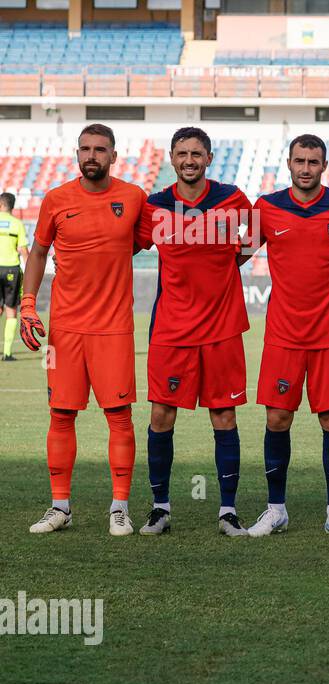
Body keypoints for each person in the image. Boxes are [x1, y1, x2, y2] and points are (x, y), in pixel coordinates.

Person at [244, 134, 329, 539]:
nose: (305, 168)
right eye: (299, 160)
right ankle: (275, 509)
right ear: (288, 163)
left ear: (324, 166)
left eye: (313, 161)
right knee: (277, 418)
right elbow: (234, 256)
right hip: (282, 335)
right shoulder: (266, 207)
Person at [22, 123, 147, 536]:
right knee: (60, 415)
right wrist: (27, 304)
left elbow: (154, 240)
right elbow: (39, 252)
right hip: (66, 330)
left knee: (119, 417)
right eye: (85, 149)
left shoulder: (133, 198)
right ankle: (60, 507)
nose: (92, 155)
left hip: (113, 329)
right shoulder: (56, 199)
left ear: (114, 155)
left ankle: (119, 508)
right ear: (77, 154)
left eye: (100, 149)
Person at [134, 126, 253, 537]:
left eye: (197, 153)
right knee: (161, 415)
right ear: (172, 158)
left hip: (222, 329)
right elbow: (126, 245)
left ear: (209, 158)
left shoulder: (233, 198)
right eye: (182, 153)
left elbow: (253, 237)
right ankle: (160, 508)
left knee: (223, 414)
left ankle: (227, 511)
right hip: (171, 328)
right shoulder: (155, 206)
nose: (189, 160)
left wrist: (226, 264)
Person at [1, 191, 30, 361]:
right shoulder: (17, 224)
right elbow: (23, 250)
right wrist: (31, 271)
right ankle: (7, 353)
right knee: (11, 310)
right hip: (11, 269)